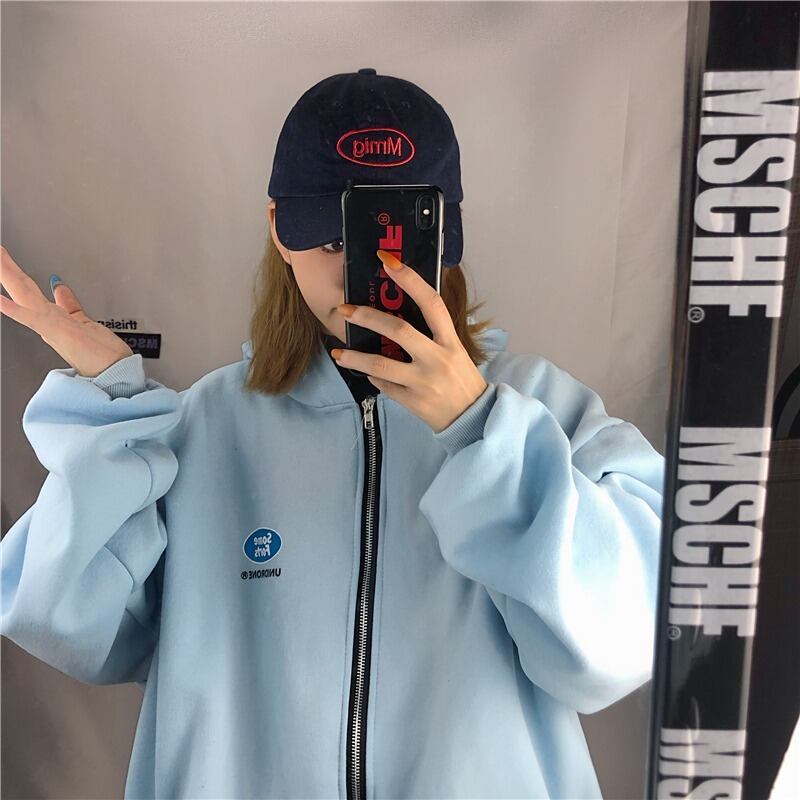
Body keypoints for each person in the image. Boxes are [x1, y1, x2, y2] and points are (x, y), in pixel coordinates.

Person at [0, 68, 666, 799]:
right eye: (331, 237)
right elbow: (71, 627)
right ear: (279, 230)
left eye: (390, 237)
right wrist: (112, 418)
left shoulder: (543, 413)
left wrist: (481, 432)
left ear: (443, 237)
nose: (360, 269)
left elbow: (623, 645)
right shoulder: (203, 427)